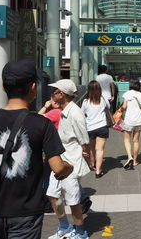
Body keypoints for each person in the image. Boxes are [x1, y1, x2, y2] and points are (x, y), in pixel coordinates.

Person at [0, 60, 73, 239]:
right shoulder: (42, 124)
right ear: (33, 87)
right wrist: (69, 167)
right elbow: (58, 167)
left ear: (3, 87)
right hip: (27, 211)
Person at [47, 79, 90, 239]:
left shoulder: (75, 113)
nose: (52, 94)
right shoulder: (64, 111)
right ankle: (65, 226)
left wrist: (87, 155)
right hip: (59, 162)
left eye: (55, 91)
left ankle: (80, 232)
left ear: (61, 94)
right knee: (53, 194)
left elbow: (84, 140)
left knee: (73, 200)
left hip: (71, 163)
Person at [81, 80, 110, 179]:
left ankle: (92, 163)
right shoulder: (103, 99)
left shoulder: (85, 101)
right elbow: (108, 107)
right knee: (100, 149)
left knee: (92, 148)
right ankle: (98, 171)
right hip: (102, 127)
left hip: (90, 128)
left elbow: (81, 113)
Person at [121, 79, 141, 170]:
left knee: (127, 140)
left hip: (129, 120)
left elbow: (124, 107)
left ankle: (130, 157)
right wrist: (140, 114)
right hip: (139, 120)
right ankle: (135, 161)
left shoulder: (127, 94)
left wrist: (121, 109)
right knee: (136, 140)